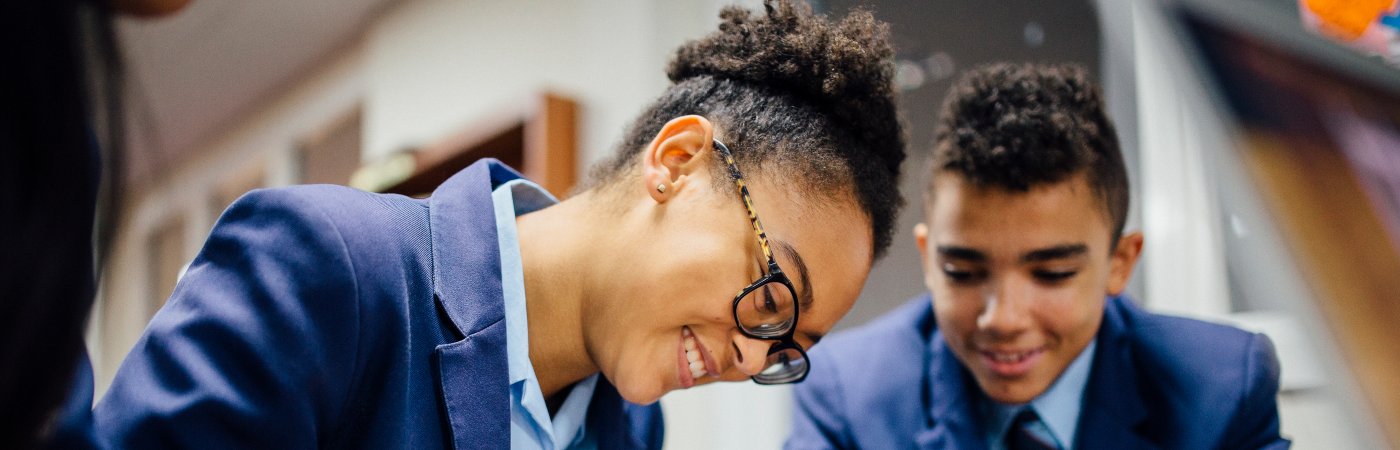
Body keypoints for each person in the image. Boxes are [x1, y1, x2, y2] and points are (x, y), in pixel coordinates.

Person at [86, 0, 905, 448]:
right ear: (679, 161)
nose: (750, 357)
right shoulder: (332, 269)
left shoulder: (632, 425)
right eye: (772, 300)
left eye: (786, 352)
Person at [785, 63, 1289, 450]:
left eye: (1051, 274)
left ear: (1120, 263)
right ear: (927, 257)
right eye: (962, 271)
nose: (1002, 318)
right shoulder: (845, 396)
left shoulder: (1223, 389)